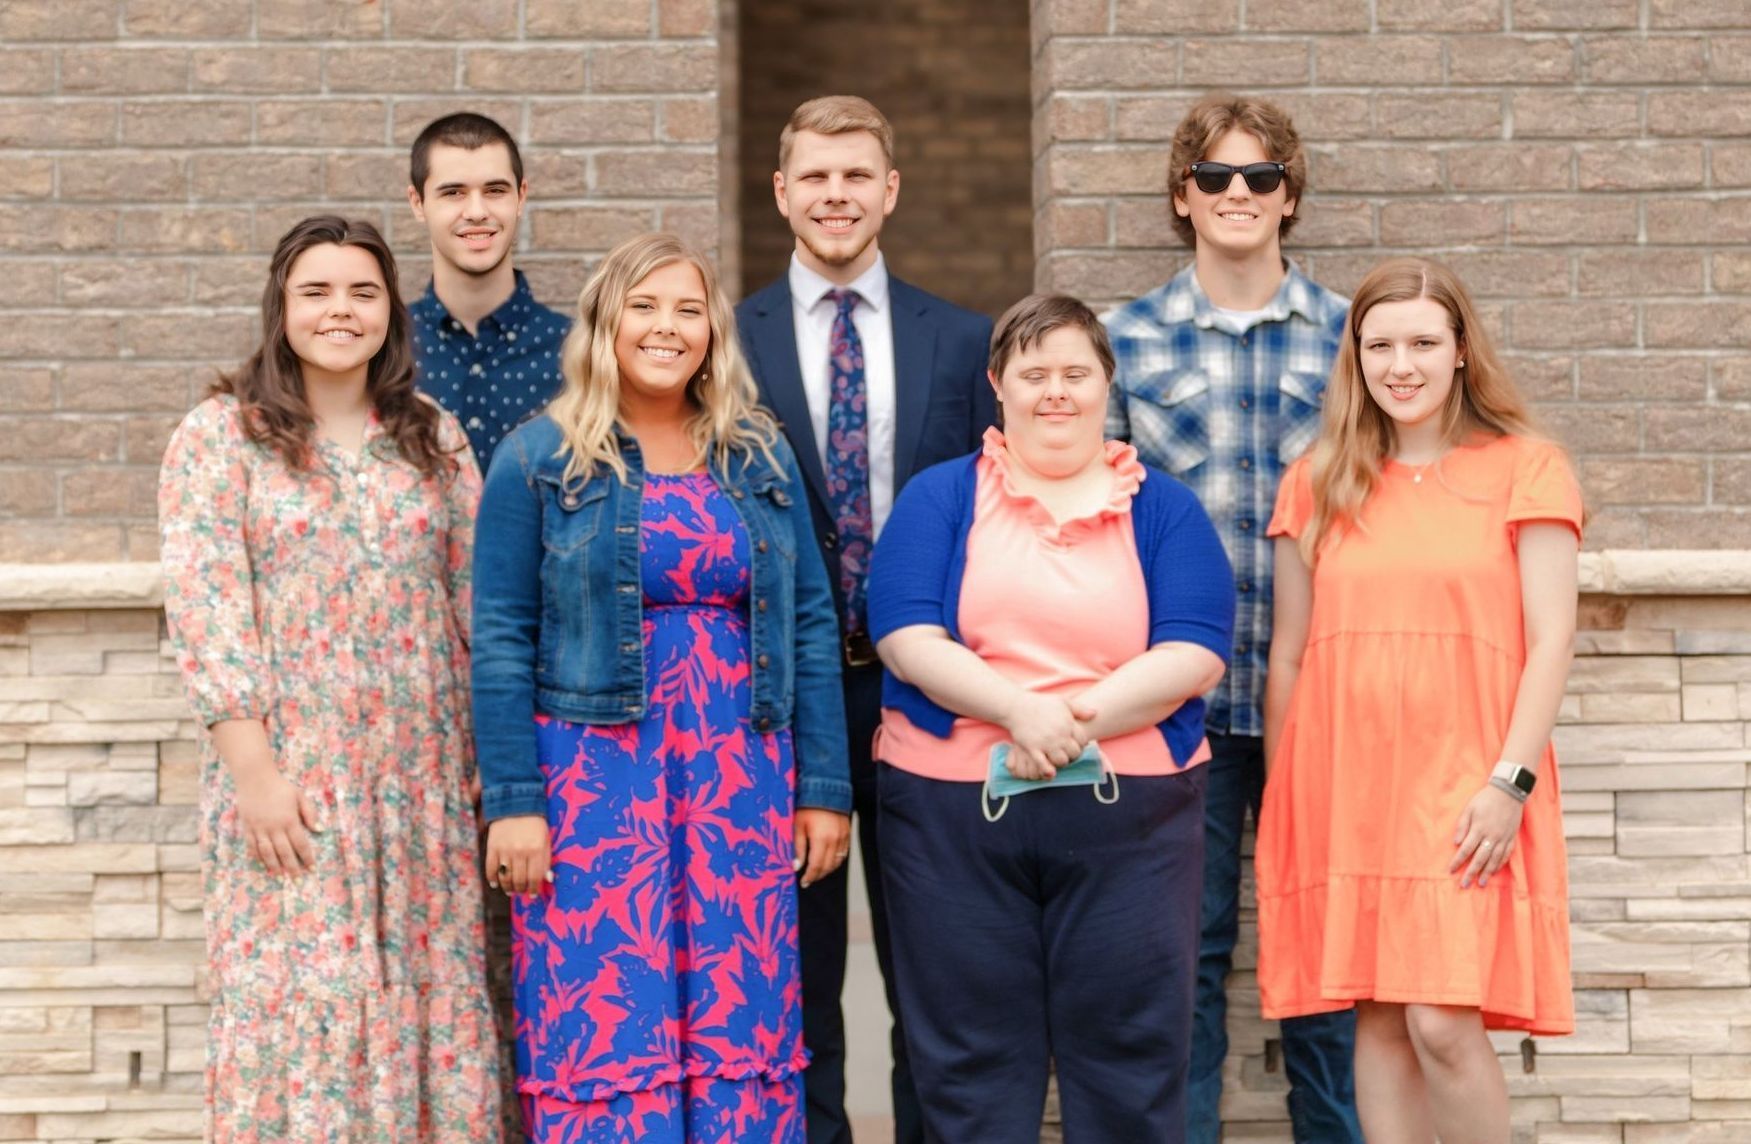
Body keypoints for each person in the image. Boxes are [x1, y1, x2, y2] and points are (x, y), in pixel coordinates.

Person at [471, 232, 853, 1143]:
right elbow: (499, 638)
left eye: (688, 310)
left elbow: (807, 622)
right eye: (643, 307)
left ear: (713, 334)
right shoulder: (536, 459)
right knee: (607, 1010)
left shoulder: (758, 455)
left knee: (739, 1008)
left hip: (739, 772)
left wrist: (824, 788)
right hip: (593, 782)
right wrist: (514, 802)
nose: (666, 328)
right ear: (603, 324)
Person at [158, 215, 498, 1141]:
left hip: (420, 792)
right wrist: (257, 778)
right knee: (304, 1009)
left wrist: (485, 765)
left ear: (392, 309)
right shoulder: (221, 437)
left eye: (362, 292)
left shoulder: (437, 441)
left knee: (428, 1008)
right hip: (294, 793)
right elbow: (208, 617)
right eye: (317, 291)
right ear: (282, 306)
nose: (340, 310)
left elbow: (476, 611)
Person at [867, 294, 1235, 1142]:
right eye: (1033, 374)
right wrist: (1013, 711)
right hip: (950, 819)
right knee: (969, 1067)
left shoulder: (1163, 507)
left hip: (1132, 820)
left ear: (1107, 384)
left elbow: (1196, 645)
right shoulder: (940, 497)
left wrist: (1065, 722)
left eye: (1075, 373)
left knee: (1131, 1062)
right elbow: (904, 629)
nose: (1054, 393)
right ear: (997, 385)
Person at [1257, 256, 1579, 1143]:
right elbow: (1289, 656)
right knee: (1381, 1019)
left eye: (1423, 343)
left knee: (1441, 1017)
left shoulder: (1528, 469)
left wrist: (1508, 783)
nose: (1401, 364)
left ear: (1461, 351)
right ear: (1353, 358)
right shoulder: (1317, 480)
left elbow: (1551, 638)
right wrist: (1289, 799)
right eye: (1379, 345)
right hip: (1348, 789)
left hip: (1470, 782)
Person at [735, 93, 995, 1144]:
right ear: (782, 192)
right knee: (794, 971)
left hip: (929, 691)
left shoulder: (963, 337)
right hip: (783, 694)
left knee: (935, 967)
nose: (835, 195)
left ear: (888, 190)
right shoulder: (726, 338)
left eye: (856, 176)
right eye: (815, 176)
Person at [1102, 92, 1361, 1143]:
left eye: (1259, 177)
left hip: (1322, 695)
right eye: (1214, 177)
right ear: (1182, 197)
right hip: (1179, 707)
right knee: (1182, 956)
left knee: (1328, 955)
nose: (1237, 194)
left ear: (1289, 197)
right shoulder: (1121, 338)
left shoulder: (1355, 338)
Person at [407, 111, 569, 475]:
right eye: (453, 193)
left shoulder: (580, 350)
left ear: (521, 196)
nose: (477, 211)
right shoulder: (383, 345)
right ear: (418, 203)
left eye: (495, 191)